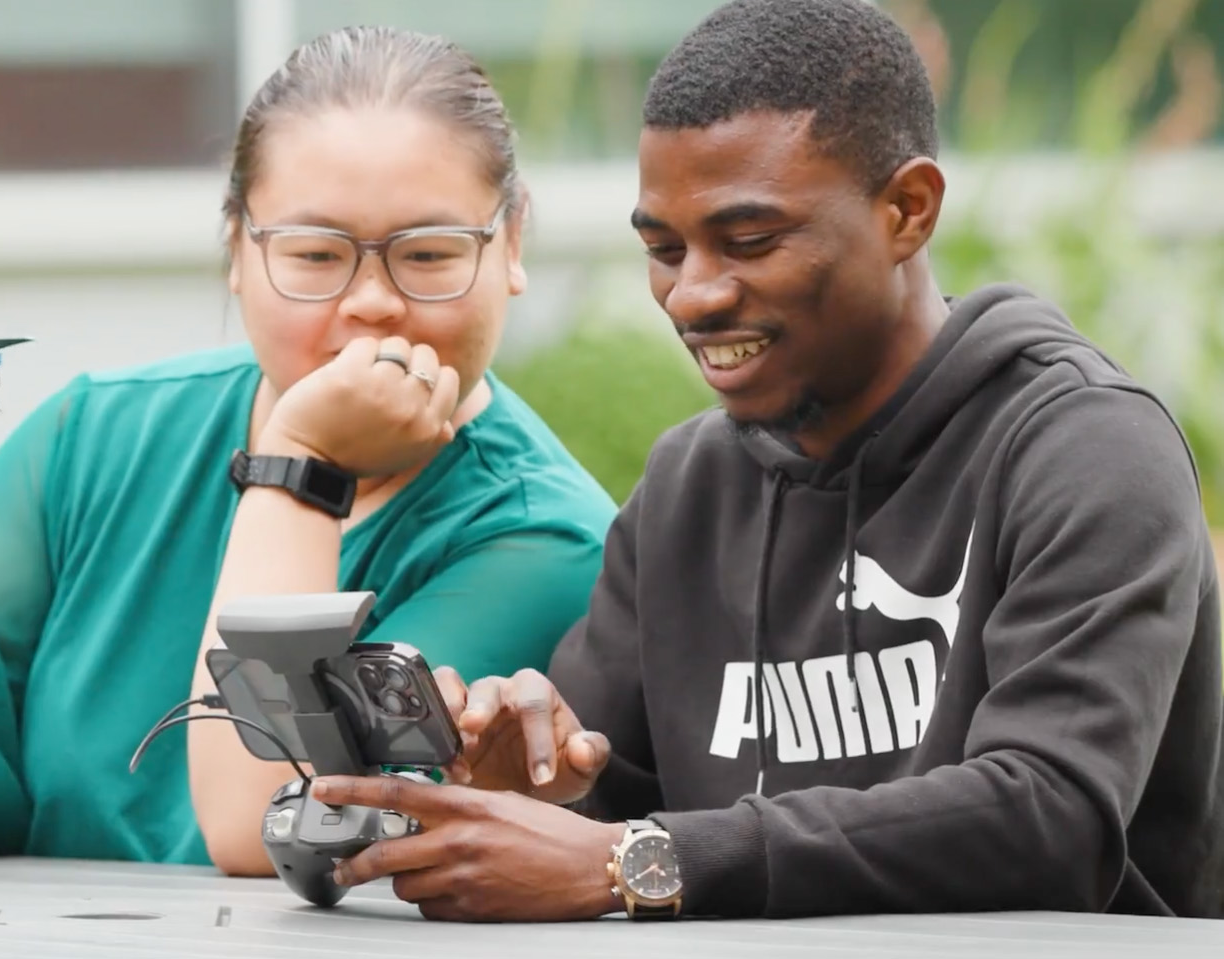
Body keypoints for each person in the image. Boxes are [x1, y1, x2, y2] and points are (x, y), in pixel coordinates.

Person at [311, 0, 1224, 922]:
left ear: (907, 210)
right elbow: (609, 812)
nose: (693, 294)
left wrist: (635, 857)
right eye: (663, 249)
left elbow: (1048, 815)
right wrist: (535, 788)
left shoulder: (1087, 448)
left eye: (749, 241)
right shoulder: (686, 488)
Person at [0, 25, 618, 875]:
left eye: (429, 253)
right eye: (316, 256)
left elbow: (264, 827)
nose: (370, 301)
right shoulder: (93, 442)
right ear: (238, 249)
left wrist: (301, 464)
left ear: (511, 243)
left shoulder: (550, 544)